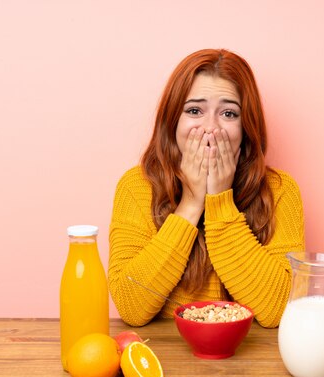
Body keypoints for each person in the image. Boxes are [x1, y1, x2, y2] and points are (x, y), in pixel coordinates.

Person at [108, 49, 305, 328]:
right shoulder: (136, 186)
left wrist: (219, 200)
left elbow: (276, 311)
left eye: (228, 113)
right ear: (172, 121)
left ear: (246, 127)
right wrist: (191, 202)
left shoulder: (280, 190)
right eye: (194, 110)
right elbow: (131, 307)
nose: (211, 129)